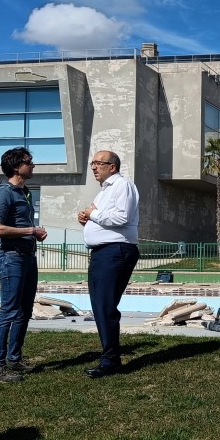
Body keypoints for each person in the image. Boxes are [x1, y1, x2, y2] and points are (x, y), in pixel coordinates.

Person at [0, 147, 47, 383]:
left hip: (27, 257)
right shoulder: (4, 193)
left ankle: (15, 359)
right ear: (15, 166)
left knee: (24, 311)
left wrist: (33, 235)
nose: (33, 165)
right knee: (9, 311)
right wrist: (31, 230)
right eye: (28, 161)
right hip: (11, 257)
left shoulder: (25, 193)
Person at [78, 150, 140, 379]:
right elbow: (98, 213)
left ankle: (111, 360)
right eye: (92, 163)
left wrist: (93, 215)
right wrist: (85, 216)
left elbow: (121, 218)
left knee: (105, 306)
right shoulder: (105, 190)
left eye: (98, 163)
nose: (93, 167)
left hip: (116, 250)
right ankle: (110, 357)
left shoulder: (122, 186)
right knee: (101, 306)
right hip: (103, 252)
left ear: (112, 166)